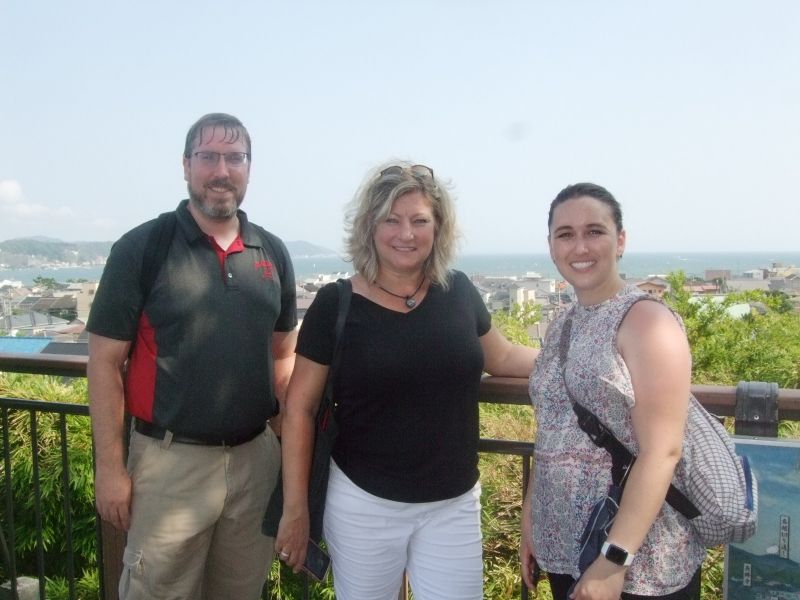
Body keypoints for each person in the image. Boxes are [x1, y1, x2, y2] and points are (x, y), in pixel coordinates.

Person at [274, 162, 538, 600]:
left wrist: (576, 359)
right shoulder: (335, 304)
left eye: (420, 221)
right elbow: (299, 409)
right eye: (391, 220)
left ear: (439, 229)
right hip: (363, 504)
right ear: (369, 227)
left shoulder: (459, 293)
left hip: (452, 504)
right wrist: (296, 508)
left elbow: (505, 356)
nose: (406, 233)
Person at [86, 113, 297, 600]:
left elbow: (283, 355)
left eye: (234, 158)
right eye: (208, 157)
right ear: (186, 166)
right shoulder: (144, 247)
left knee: (241, 592)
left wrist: (285, 443)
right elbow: (103, 363)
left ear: (249, 168)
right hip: (167, 465)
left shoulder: (273, 253)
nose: (221, 170)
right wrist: (110, 469)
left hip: (253, 462)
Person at [520, 183, 706, 600]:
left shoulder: (645, 322)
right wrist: (531, 518)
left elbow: (663, 451)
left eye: (595, 231)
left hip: (638, 561)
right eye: (565, 234)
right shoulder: (563, 324)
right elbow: (550, 429)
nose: (579, 245)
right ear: (551, 247)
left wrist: (612, 561)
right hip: (566, 548)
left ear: (620, 240)